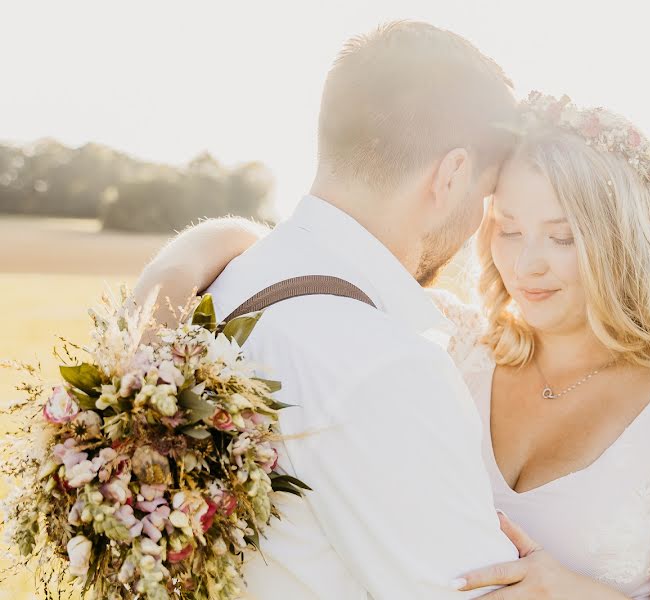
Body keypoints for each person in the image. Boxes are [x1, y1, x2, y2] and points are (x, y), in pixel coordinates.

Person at [138, 21, 524, 599]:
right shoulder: (387, 366)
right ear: (452, 175)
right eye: (485, 196)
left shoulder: (222, 284)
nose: (478, 227)